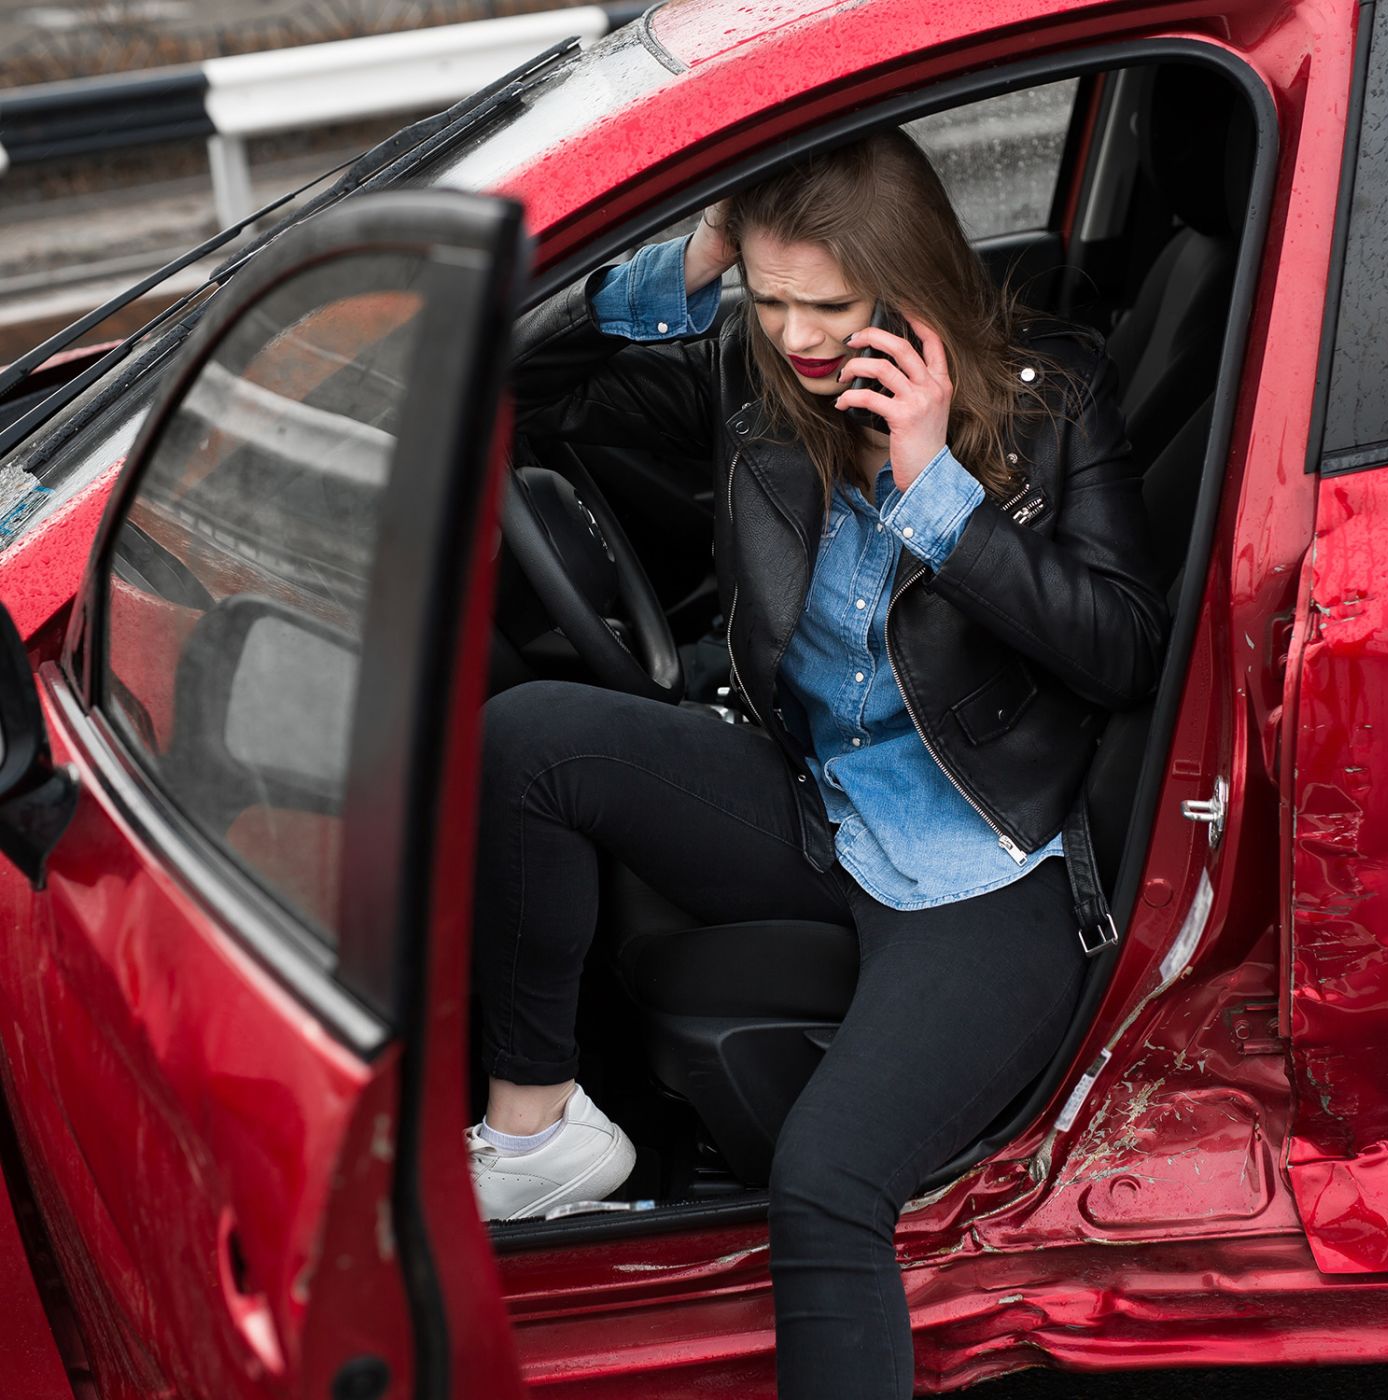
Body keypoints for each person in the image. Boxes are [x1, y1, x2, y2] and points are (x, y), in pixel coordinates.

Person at [468, 129, 1167, 1399]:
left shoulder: (1050, 397)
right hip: (819, 805)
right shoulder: (760, 381)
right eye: (768, 295)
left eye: (828, 305)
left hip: (984, 863)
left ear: (903, 283)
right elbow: (531, 357)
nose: (794, 333)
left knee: (824, 1183)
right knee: (527, 738)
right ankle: (540, 1130)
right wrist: (704, 242)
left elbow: (1123, 649)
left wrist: (935, 488)